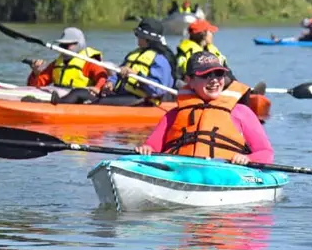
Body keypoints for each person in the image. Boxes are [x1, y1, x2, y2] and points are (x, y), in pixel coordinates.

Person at [135, 52, 274, 165]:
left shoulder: (242, 113)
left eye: (218, 74)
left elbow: (266, 153)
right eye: (206, 75)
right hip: (179, 172)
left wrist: (248, 159)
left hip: (226, 174)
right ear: (189, 81)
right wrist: (146, 149)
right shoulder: (173, 115)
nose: (214, 80)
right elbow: (152, 147)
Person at [100, 18, 177, 103]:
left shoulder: (161, 59)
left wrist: (137, 75)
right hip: (123, 95)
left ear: (148, 39)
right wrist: (111, 83)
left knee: (102, 102)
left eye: (139, 35)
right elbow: (119, 73)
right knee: (84, 94)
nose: (137, 38)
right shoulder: (134, 54)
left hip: (143, 101)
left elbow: (158, 90)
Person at [26, 27, 107, 90]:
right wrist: (35, 73)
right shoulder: (56, 64)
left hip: (80, 100)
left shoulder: (89, 63)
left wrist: (97, 88)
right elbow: (34, 87)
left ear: (79, 44)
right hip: (59, 98)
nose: (63, 48)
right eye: (61, 45)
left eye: (66, 45)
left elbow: (103, 77)